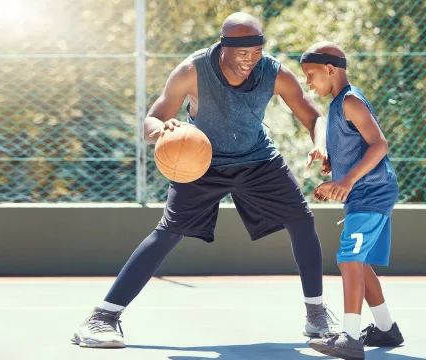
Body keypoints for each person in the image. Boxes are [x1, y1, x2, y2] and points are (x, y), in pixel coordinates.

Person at [72, 12, 336, 349]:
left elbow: (313, 116)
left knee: (302, 221)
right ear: (224, 47)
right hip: (201, 162)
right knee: (168, 233)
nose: (250, 61)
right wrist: (161, 131)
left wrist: (320, 143)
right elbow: (152, 120)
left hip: (258, 159)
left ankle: (316, 315)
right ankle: (102, 317)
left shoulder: (272, 72)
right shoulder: (192, 71)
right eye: (243, 54)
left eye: (256, 53)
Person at [301, 42, 404, 360]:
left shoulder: (350, 101)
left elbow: (379, 145)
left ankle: (350, 337)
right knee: (359, 263)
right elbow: (354, 147)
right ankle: (386, 329)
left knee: (348, 259)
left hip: (372, 192)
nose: (308, 82)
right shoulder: (336, 106)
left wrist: (347, 180)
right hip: (364, 193)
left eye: (311, 75)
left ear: (330, 69)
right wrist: (334, 169)